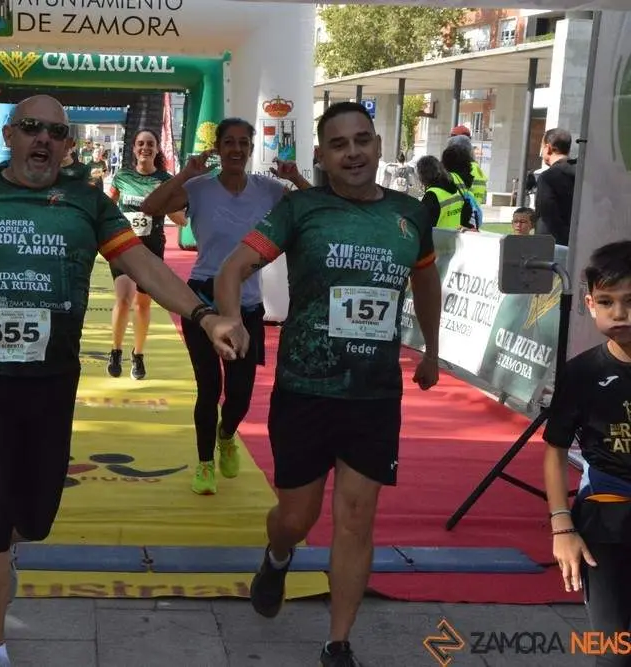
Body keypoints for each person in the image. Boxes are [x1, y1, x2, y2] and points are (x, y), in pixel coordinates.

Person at [0, 94, 247, 667]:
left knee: (37, 518)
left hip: (51, 383)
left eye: (57, 132)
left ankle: (10, 546)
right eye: (31, 128)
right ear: (10, 135)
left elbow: (144, 265)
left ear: (69, 145)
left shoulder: (86, 203)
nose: (44, 140)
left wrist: (203, 316)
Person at [214, 101, 443, 667]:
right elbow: (232, 269)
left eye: (362, 139)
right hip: (306, 388)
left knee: (356, 519)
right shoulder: (302, 209)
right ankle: (277, 554)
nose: (354, 152)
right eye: (339, 145)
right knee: (297, 517)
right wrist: (227, 322)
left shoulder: (411, 215)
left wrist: (433, 350)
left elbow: (425, 278)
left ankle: (338, 642)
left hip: (373, 393)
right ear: (321, 156)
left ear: (379, 145)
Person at [141, 117, 309, 495]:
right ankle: (203, 464)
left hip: (247, 304)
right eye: (228, 143)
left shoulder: (268, 189)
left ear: (251, 149)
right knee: (208, 387)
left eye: (243, 144)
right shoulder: (198, 188)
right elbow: (151, 206)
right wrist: (185, 172)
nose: (235, 150)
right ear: (217, 148)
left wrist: (297, 178)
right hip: (202, 298)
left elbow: (315, 211)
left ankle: (227, 434)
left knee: (240, 393)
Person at [542, 241, 631, 667]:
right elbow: (554, 451)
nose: (620, 314)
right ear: (590, 303)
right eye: (608, 302)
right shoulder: (582, 373)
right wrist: (562, 528)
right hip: (605, 521)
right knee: (613, 652)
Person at [106, 129, 187, 380]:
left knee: (142, 304)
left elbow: (180, 220)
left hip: (151, 248)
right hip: (123, 247)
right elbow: (109, 208)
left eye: (150, 144)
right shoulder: (122, 177)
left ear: (157, 149)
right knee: (123, 297)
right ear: (134, 148)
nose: (145, 148)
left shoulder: (166, 179)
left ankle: (138, 354)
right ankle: (115, 350)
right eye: (140, 143)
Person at [534, 128, 577, 246]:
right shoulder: (581, 172)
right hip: (579, 242)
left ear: (548, 148)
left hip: (553, 245)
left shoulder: (548, 177)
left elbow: (546, 215)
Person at [416, 155, 474, 231]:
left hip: (437, 240)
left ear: (423, 175)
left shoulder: (432, 195)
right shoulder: (454, 188)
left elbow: (423, 225)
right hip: (454, 238)